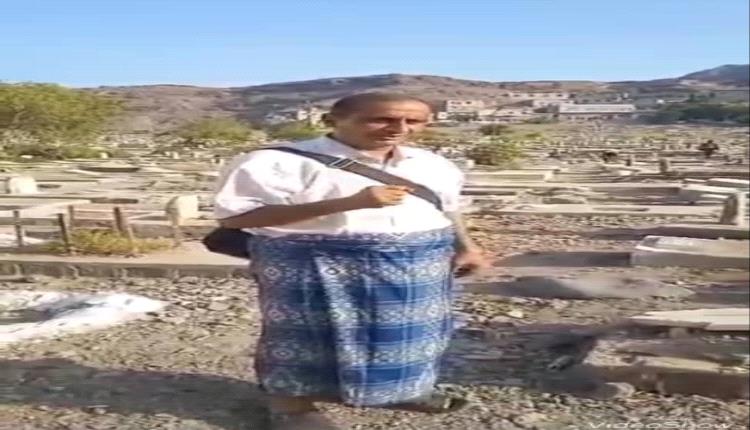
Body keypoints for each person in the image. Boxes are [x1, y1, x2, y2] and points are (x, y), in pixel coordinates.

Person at [213, 93, 489, 430]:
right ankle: (292, 407)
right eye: (381, 119)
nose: (399, 129)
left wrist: (467, 247)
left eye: (414, 121)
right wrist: (349, 203)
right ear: (332, 121)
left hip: (418, 264)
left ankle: (399, 389)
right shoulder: (275, 162)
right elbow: (236, 218)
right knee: (305, 337)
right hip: (312, 264)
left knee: (410, 335)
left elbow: (448, 208)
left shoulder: (430, 163)